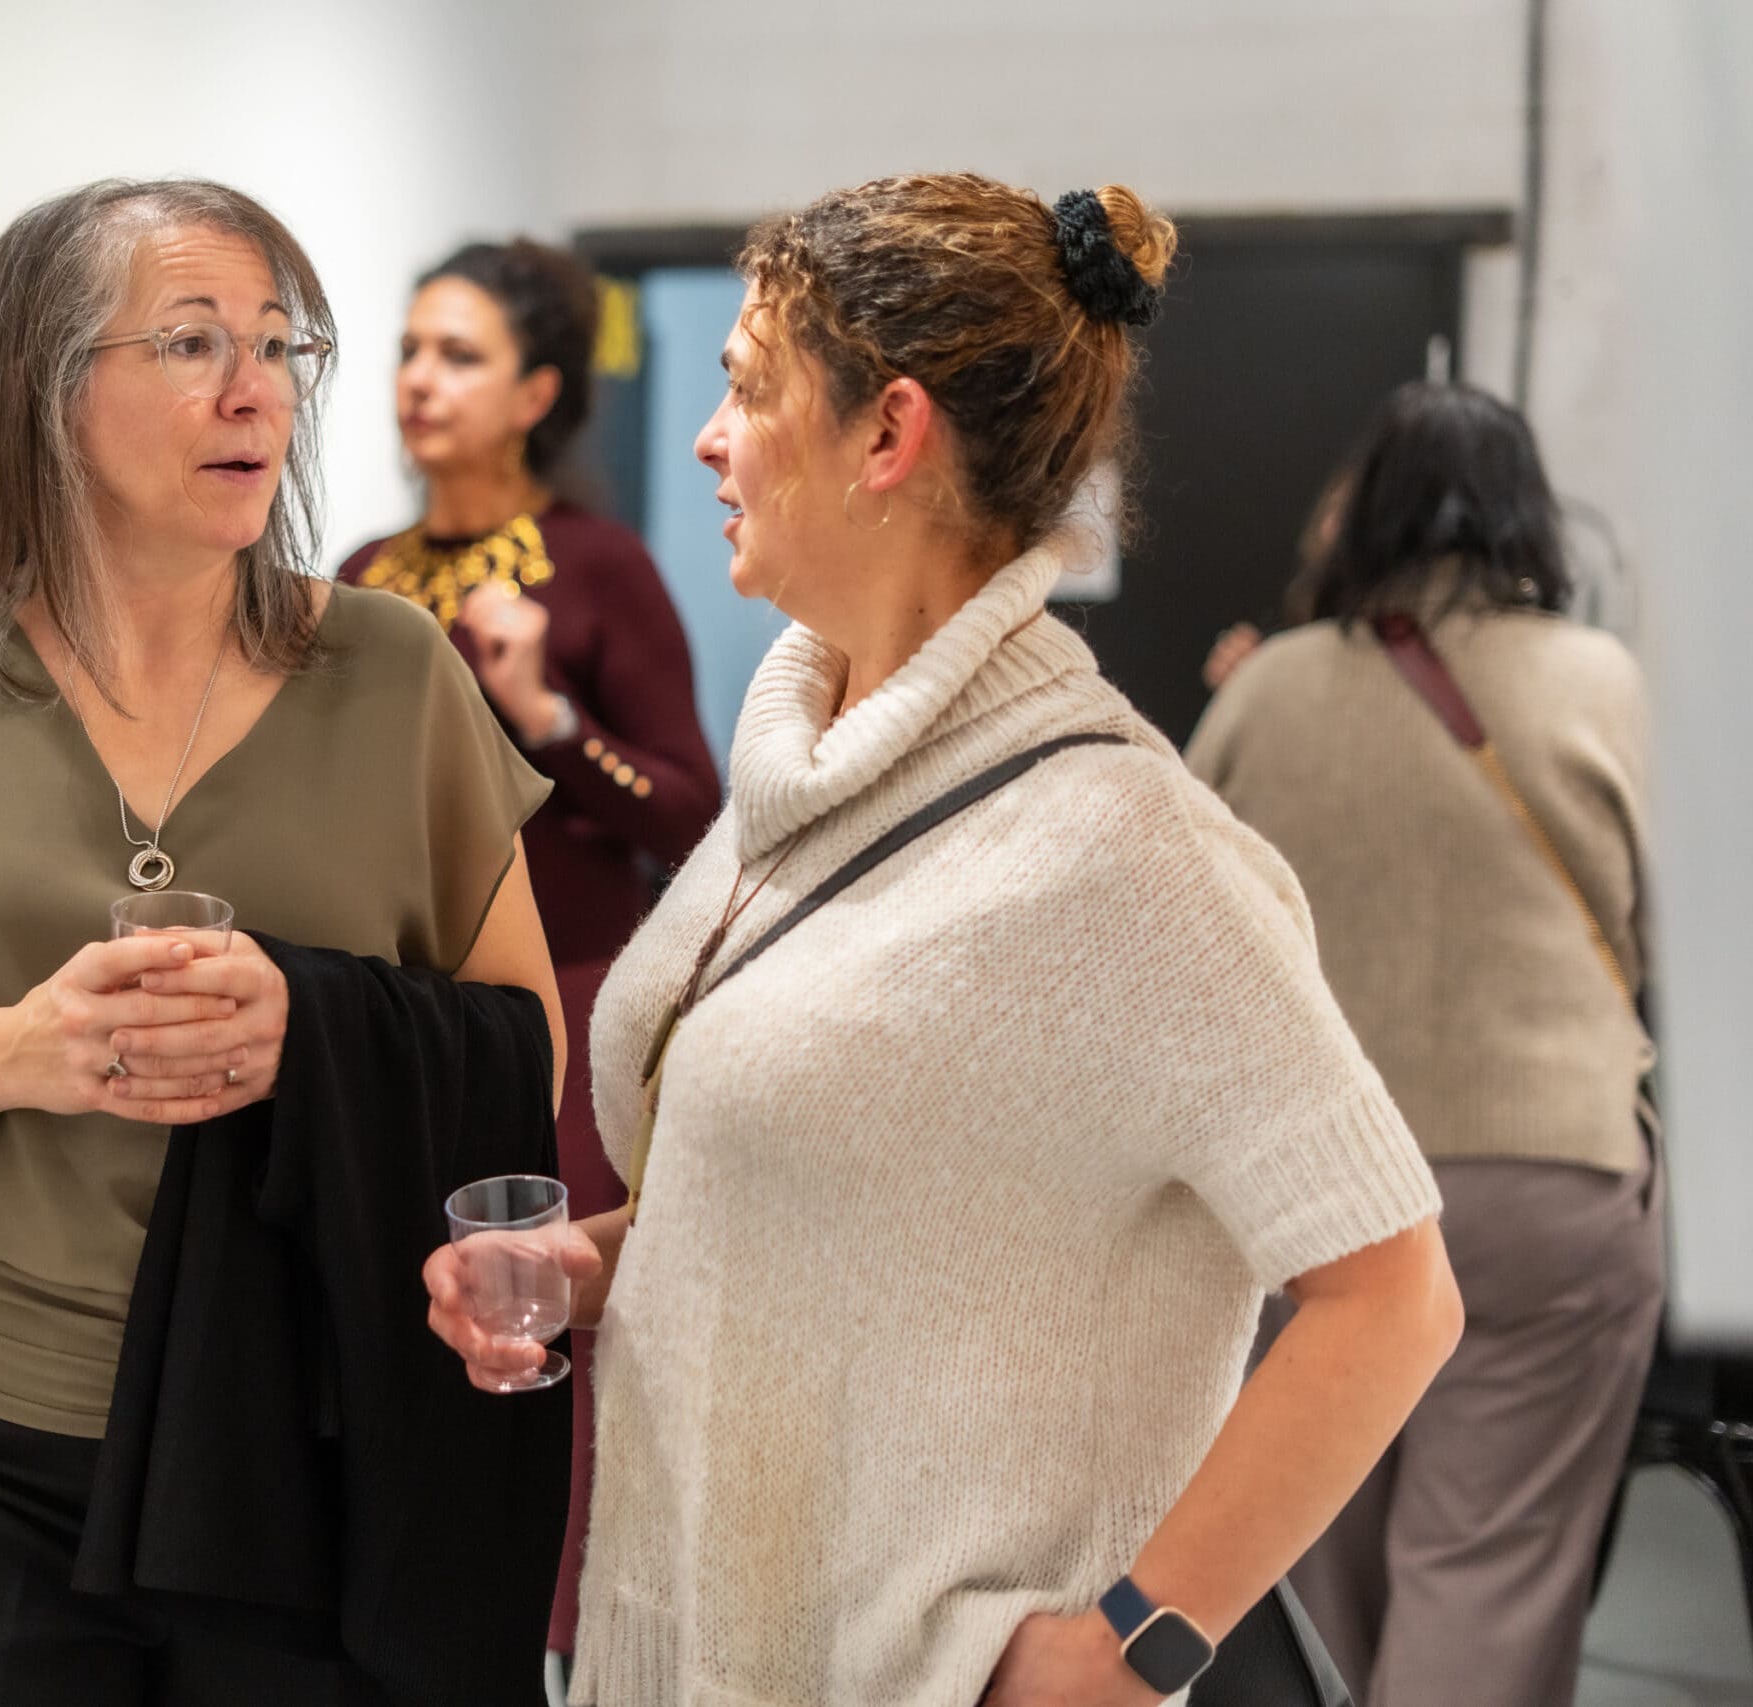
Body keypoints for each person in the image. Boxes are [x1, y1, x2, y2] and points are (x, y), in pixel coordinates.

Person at [425, 172, 1465, 1707]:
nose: (709, 437)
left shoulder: (1121, 844)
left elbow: (1394, 1295)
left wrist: (1129, 1649)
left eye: (748, 388)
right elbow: (827, 1193)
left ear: (888, 435)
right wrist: (580, 1265)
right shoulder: (808, 775)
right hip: (701, 1640)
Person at [0, 178, 565, 1704]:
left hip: (296, 1441)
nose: (254, 390)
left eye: (278, 345)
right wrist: (7, 1054)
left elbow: (525, 1044)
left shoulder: (393, 669)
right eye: (188, 342)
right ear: (46, 387)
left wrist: (310, 1024)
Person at [1185, 382, 1660, 1707]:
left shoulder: (1268, 691)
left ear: (1362, 512)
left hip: (1311, 1191)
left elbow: (1187, 923)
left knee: (1310, 1554)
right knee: (1489, 1568)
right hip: (1546, 1179)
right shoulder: (1603, 681)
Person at [337, 237, 720, 1666]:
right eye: (410, 349)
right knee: (419, 1323)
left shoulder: (600, 568)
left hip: (568, 1005)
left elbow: (689, 810)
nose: (420, 381)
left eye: (461, 355)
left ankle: (576, 1639)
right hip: (402, 1013)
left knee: (552, 1334)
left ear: (538, 392)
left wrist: (548, 715)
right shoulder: (361, 580)